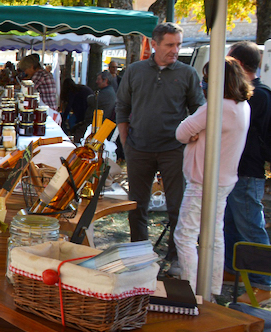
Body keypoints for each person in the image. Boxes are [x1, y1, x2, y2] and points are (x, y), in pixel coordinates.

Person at [116, 23, 204, 275]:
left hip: (174, 150)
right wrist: (126, 141)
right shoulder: (134, 71)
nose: (175, 50)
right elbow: (122, 106)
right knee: (137, 206)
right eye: (170, 44)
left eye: (178, 44)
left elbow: (199, 109)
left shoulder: (187, 73)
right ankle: (139, 256)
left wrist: (191, 138)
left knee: (177, 206)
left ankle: (176, 257)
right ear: (154, 44)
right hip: (138, 148)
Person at [174, 57, 251, 294]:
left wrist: (194, 133)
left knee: (185, 236)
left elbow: (181, 132)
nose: (203, 85)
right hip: (224, 180)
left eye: (206, 80)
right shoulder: (242, 106)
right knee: (215, 235)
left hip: (203, 181)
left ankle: (192, 290)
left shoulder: (217, 107)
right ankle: (212, 289)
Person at [224, 42, 271, 303]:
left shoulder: (259, 95)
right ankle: (233, 270)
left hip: (247, 171)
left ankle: (264, 282)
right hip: (236, 171)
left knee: (250, 227)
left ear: (239, 65)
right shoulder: (255, 93)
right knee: (232, 223)